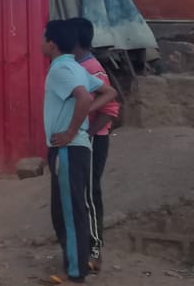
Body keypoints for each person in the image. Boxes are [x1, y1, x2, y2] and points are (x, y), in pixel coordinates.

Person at [41, 20, 118, 284]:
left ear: (52, 44)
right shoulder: (76, 66)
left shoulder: (62, 69)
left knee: (70, 210)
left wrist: (71, 131)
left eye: (43, 38)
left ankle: (74, 271)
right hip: (73, 147)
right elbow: (110, 92)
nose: (40, 42)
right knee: (67, 208)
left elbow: (85, 98)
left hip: (69, 148)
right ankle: (77, 263)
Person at [69, 17, 121, 272]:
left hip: (93, 140)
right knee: (80, 194)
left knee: (89, 195)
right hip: (81, 139)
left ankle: (95, 251)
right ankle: (82, 248)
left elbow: (111, 108)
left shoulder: (91, 67)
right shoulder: (76, 65)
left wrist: (88, 134)